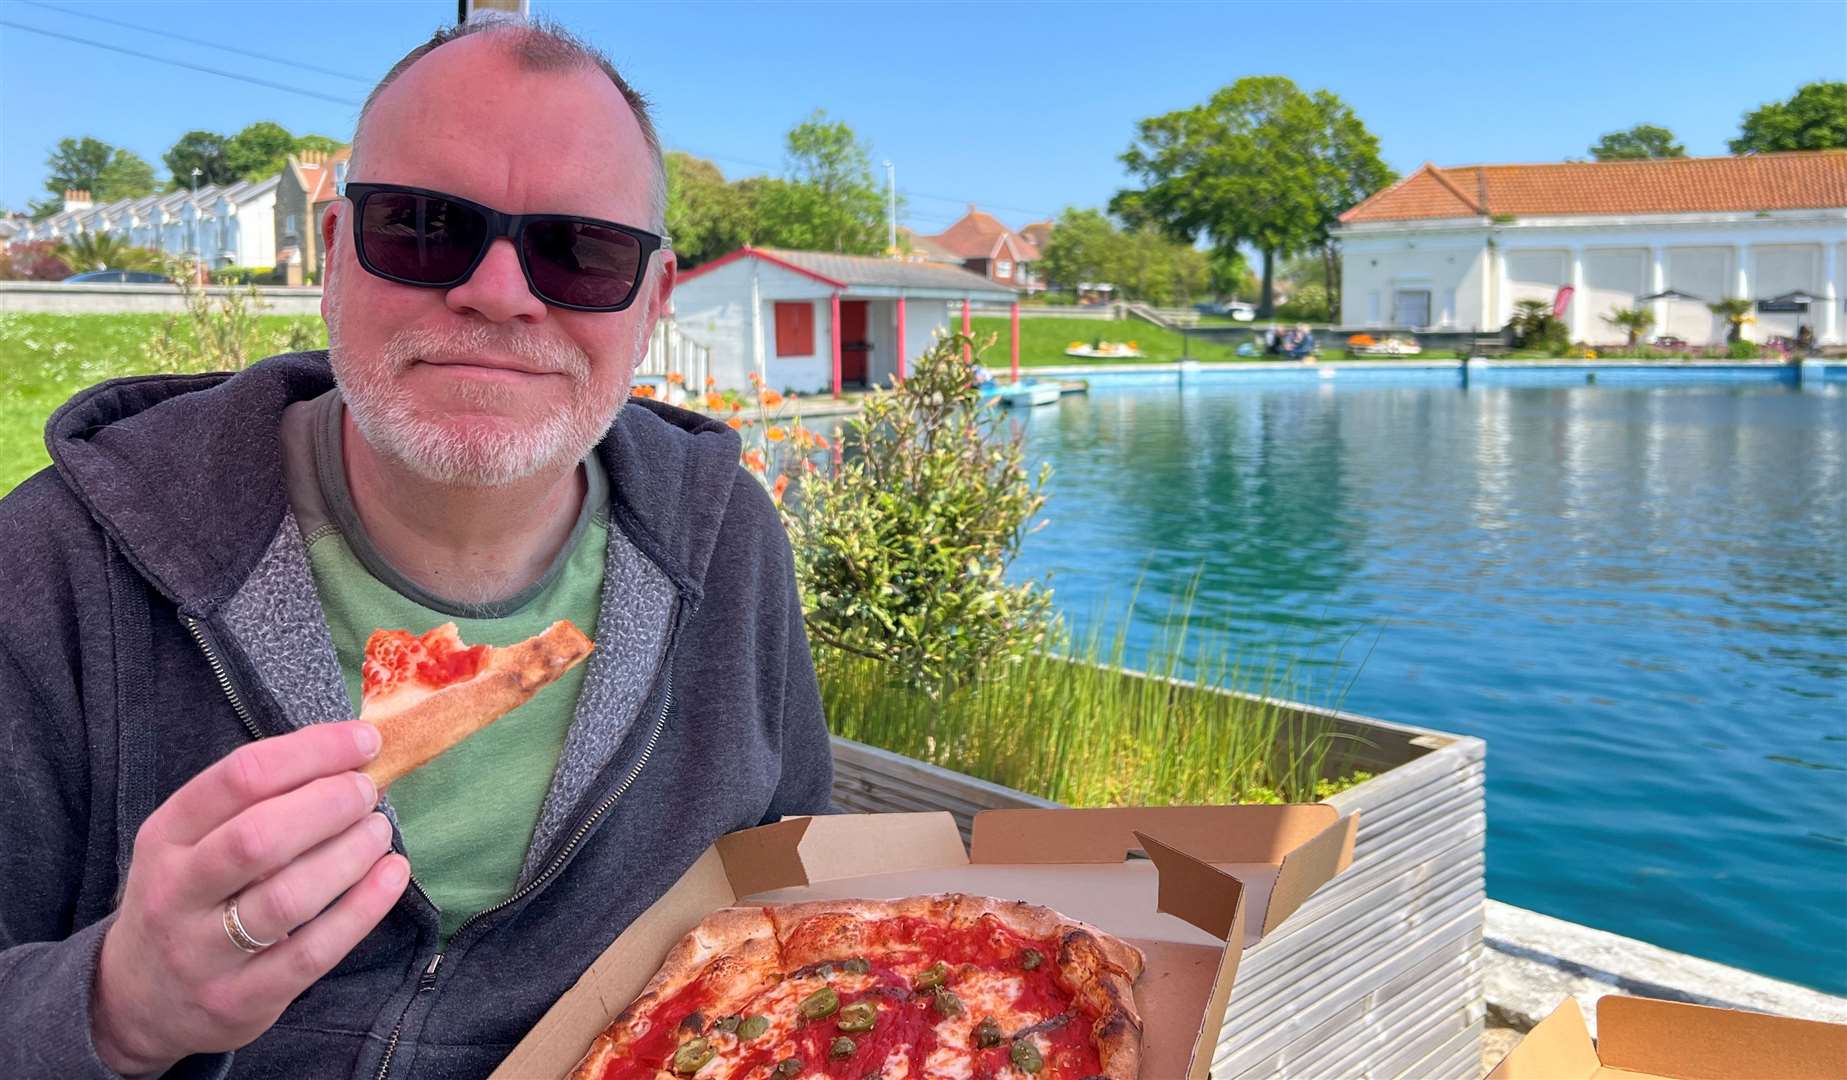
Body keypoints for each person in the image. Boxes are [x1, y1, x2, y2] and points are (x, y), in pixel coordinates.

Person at [0, 17, 833, 1080]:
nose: (497, 292)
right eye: (424, 227)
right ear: (337, 257)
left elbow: (801, 918)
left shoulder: (730, 547)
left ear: (651, 303)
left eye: (581, 252)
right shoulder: (53, 567)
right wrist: (116, 1010)